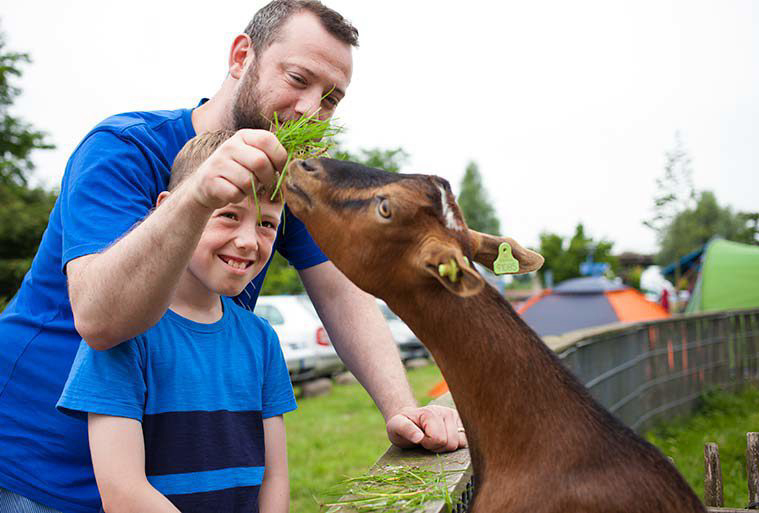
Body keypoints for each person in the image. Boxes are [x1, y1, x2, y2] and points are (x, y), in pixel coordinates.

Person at [0, 2, 466, 512]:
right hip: (44, 468)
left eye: (331, 99)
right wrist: (198, 193)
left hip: (173, 481)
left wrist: (401, 408)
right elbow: (100, 319)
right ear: (242, 56)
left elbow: (339, 291)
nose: (310, 110)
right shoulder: (124, 149)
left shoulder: (289, 177)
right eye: (298, 78)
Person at [57, 130, 294, 513]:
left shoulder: (261, 338)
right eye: (229, 215)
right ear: (170, 209)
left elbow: (274, 477)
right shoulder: (124, 335)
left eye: (266, 224)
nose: (250, 241)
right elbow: (122, 492)